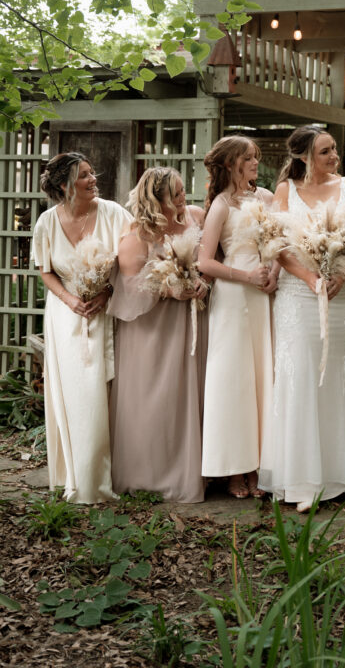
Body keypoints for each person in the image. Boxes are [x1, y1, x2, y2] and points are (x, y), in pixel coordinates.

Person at [258, 125, 345, 512]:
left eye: (334, 149)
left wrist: (340, 275)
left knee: (339, 373)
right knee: (301, 374)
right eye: (325, 151)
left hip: (342, 295)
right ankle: (302, 478)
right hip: (298, 294)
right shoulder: (285, 192)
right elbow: (277, 246)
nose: (334, 156)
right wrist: (309, 277)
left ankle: (340, 473)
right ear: (305, 156)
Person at [32, 152, 132, 503]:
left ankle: (104, 478)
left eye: (93, 173)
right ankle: (74, 475)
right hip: (65, 315)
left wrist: (107, 291)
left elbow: (134, 257)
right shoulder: (46, 222)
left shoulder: (114, 214)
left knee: (101, 392)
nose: (94, 180)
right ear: (64, 185)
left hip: (105, 311)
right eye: (84, 176)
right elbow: (45, 269)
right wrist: (68, 299)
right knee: (73, 392)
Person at [109, 167, 208, 503]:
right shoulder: (137, 234)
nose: (183, 198)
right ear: (157, 199)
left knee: (187, 393)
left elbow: (209, 261)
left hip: (190, 322)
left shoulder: (195, 217)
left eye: (183, 191)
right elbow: (130, 285)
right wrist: (169, 290)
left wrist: (200, 283)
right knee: (156, 396)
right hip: (151, 329)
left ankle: (193, 470)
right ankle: (148, 474)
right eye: (176, 194)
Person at [198, 136, 276, 499]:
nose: (255, 163)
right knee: (234, 382)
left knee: (264, 379)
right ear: (230, 164)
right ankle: (234, 469)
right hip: (233, 297)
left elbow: (280, 241)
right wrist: (246, 277)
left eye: (255, 157)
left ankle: (262, 466)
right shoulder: (221, 205)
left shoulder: (268, 198)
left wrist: (273, 271)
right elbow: (205, 261)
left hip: (265, 296)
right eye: (248, 158)